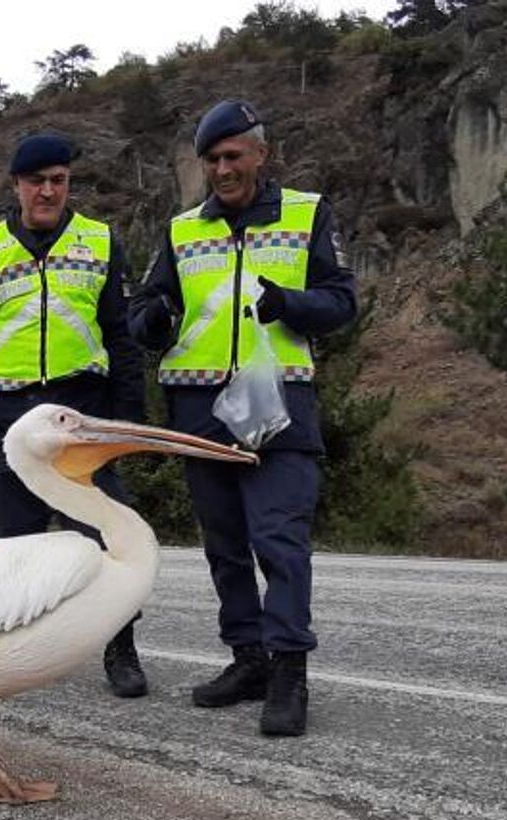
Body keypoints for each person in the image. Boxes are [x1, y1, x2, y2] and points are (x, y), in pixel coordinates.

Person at [128, 100, 358, 737]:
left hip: (282, 403)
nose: (223, 169)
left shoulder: (306, 213)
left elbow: (342, 302)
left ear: (261, 152)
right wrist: (150, 321)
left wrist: (292, 304)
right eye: (212, 160)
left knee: (279, 540)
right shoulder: (180, 231)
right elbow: (146, 305)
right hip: (199, 407)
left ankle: (289, 672)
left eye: (234, 156)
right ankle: (247, 659)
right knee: (225, 545)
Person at [0, 131, 150, 698]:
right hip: (2, 414)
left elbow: (121, 336)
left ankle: (119, 647)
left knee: (106, 539)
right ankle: (19, 652)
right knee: (14, 546)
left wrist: (128, 418)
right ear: (17, 186)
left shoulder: (101, 242)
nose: (49, 191)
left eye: (59, 180)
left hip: (80, 415)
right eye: (38, 182)